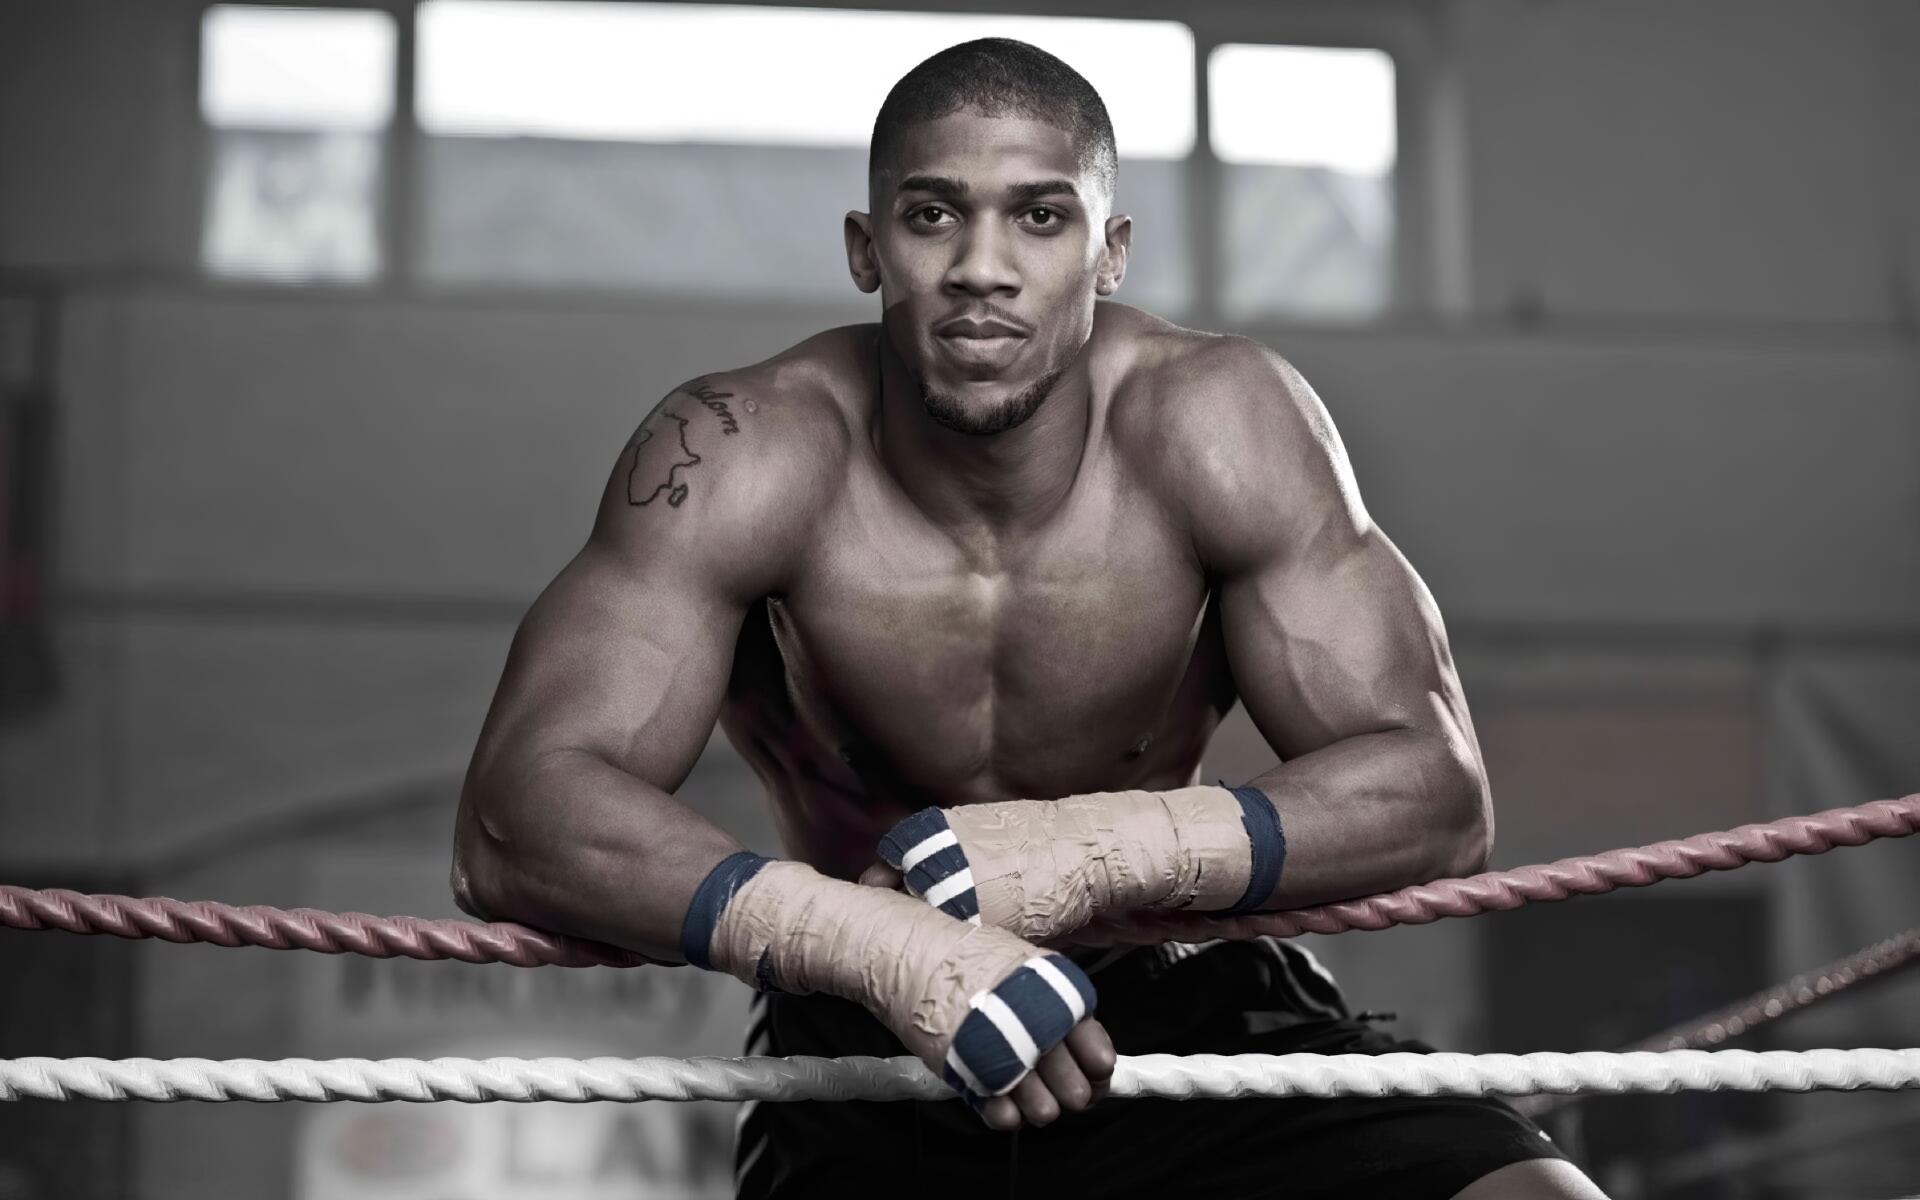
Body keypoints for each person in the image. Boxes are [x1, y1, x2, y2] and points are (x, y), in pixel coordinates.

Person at [451, 37, 1607, 1200]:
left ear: (1111, 251)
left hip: (1183, 1003)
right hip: (868, 1041)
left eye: (1040, 218)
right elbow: (511, 819)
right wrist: (879, 946)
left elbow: (1436, 793)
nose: (983, 268)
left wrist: (1091, 851)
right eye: (933, 215)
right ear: (866, 248)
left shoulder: (1218, 426)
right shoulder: (743, 455)